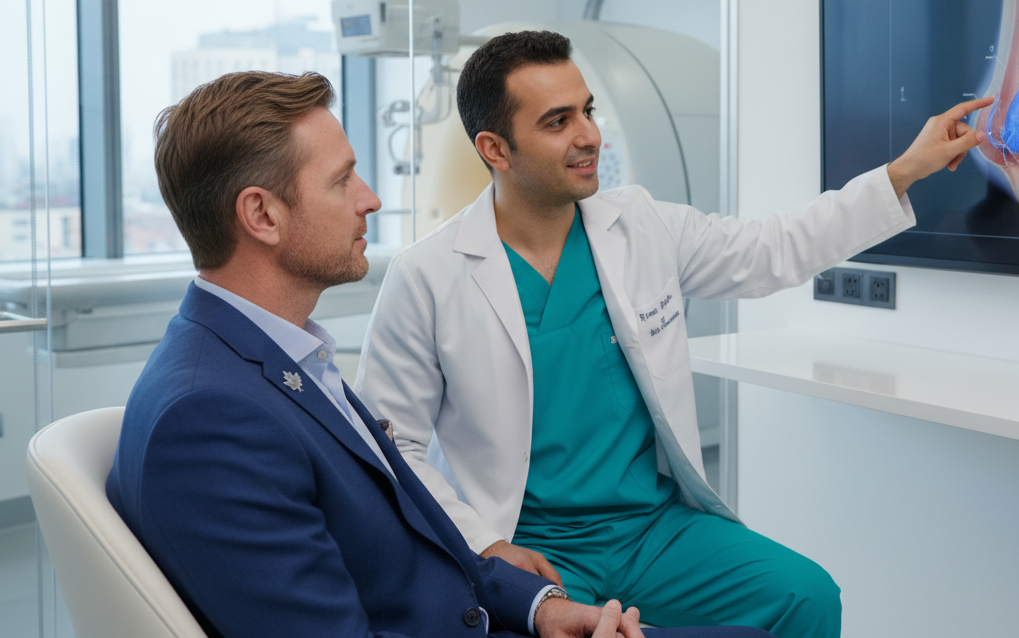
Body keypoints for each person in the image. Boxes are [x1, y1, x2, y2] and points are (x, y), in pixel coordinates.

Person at [358, 31, 991, 638]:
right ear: (495, 149)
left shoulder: (639, 224)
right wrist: (488, 545)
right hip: (534, 546)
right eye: (557, 122)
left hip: (651, 529)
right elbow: (395, 445)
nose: (588, 137)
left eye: (588, 111)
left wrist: (904, 172)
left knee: (806, 596)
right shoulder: (428, 275)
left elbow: (773, 248)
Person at [105, 70, 770, 638]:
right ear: (262, 216)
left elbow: (405, 543)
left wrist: (542, 609)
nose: (370, 199)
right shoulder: (210, 419)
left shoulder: (280, 360)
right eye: (342, 182)